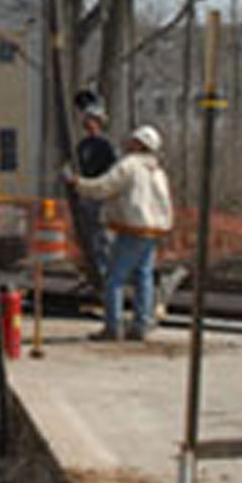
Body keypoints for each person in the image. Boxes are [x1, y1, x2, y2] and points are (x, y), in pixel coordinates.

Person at [64, 124, 173, 341]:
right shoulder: (157, 170)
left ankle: (112, 327)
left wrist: (78, 183)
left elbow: (104, 186)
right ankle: (141, 324)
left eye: (133, 140)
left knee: (114, 279)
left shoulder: (130, 165)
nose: (128, 142)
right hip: (152, 231)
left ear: (140, 144)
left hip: (131, 229)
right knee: (144, 277)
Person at [74, 89, 117, 288]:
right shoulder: (83, 146)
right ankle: (94, 273)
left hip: (101, 196)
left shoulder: (106, 146)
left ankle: (107, 274)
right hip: (86, 195)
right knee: (89, 237)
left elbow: (113, 173)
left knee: (102, 238)